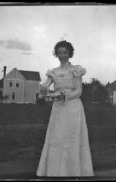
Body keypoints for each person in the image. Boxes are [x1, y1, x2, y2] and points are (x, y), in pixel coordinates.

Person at [36, 40, 94, 177]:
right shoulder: (54, 72)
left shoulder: (76, 70)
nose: (62, 55)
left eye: (65, 52)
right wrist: (42, 91)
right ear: (56, 54)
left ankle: (74, 172)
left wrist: (65, 96)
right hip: (58, 109)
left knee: (72, 138)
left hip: (73, 108)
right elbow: (45, 86)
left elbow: (79, 91)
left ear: (70, 53)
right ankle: (55, 172)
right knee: (56, 138)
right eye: (59, 52)